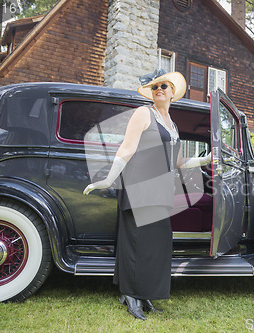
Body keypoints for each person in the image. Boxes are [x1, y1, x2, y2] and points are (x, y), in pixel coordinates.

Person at [83, 70, 210, 320]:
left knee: (156, 244)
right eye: (154, 87)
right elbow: (127, 148)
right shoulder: (143, 113)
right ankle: (130, 295)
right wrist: (109, 179)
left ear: (173, 92)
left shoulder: (172, 125)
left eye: (163, 86)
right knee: (136, 242)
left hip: (160, 189)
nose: (159, 90)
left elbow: (180, 162)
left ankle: (144, 293)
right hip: (138, 186)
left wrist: (206, 158)